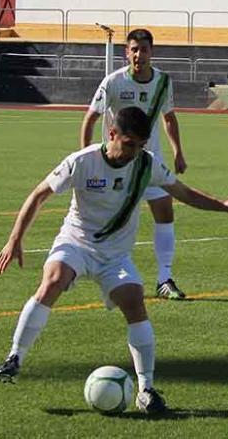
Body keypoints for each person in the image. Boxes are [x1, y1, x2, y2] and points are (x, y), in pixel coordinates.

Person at [0, 107, 228, 415]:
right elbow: (39, 195)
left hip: (115, 255)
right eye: (129, 144)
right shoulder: (81, 161)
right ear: (111, 134)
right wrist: (15, 239)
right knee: (52, 280)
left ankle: (146, 389)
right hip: (76, 243)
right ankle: (14, 358)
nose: (134, 152)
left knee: (134, 301)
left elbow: (184, 193)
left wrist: (224, 206)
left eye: (140, 145)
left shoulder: (145, 164)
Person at [80, 28, 188, 300]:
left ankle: (164, 278)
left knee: (165, 213)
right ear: (127, 52)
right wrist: (87, 159)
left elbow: (169, 118)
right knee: (108, 220)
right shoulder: (113, 82)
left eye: (144, 49)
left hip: (149, 164)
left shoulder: (163, 82)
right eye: (134, 50)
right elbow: (91, 118)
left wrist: (178, 152)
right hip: (117, 164)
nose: (139, 55)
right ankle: (91, 268)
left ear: (152, 51)